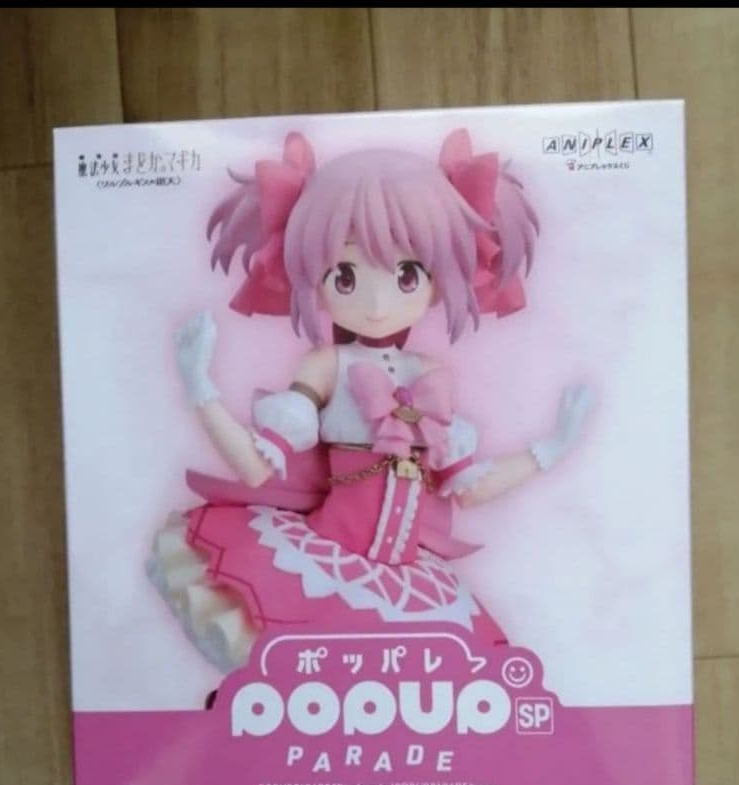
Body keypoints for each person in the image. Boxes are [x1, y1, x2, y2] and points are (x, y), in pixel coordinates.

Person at [147, 129, 592, 676]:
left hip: (408, 583)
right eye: (346, 275)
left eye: (406, 274)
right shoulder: (327, 366)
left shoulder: (432, 377)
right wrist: (200, 388)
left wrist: (549, 449)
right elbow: (257, 467)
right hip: (321, 561)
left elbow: (470, 488)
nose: (378, 304)